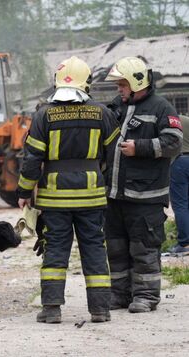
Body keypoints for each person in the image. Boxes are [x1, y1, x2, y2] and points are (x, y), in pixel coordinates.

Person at [17, 56, 119, 324]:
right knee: (95, 249)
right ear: (87, 83)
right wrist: (104, 183)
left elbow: (32, 159)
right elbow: (114, 155)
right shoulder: (103, 113)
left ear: (57, 82)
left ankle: (51, 308)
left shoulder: (43, 115)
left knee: (55, 250)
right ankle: (100, 310)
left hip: (55, 198)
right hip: (92, 196)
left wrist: (24, 192)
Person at [104, 57, 182, 313]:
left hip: (146, 197)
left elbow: (174, 144)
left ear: (138, 83)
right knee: (115, 249)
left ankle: (146, 296)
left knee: (143, 248)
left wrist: (140, 147)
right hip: (115, 195)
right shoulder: (116, 106)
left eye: (123, 84)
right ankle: (119, 296)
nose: (119, 89)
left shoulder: (162, 108)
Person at [169, 115, 189, 256]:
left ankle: (185, 243)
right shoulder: (186, 120)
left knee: (180, 204)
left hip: (179, 161)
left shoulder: (167, 120)